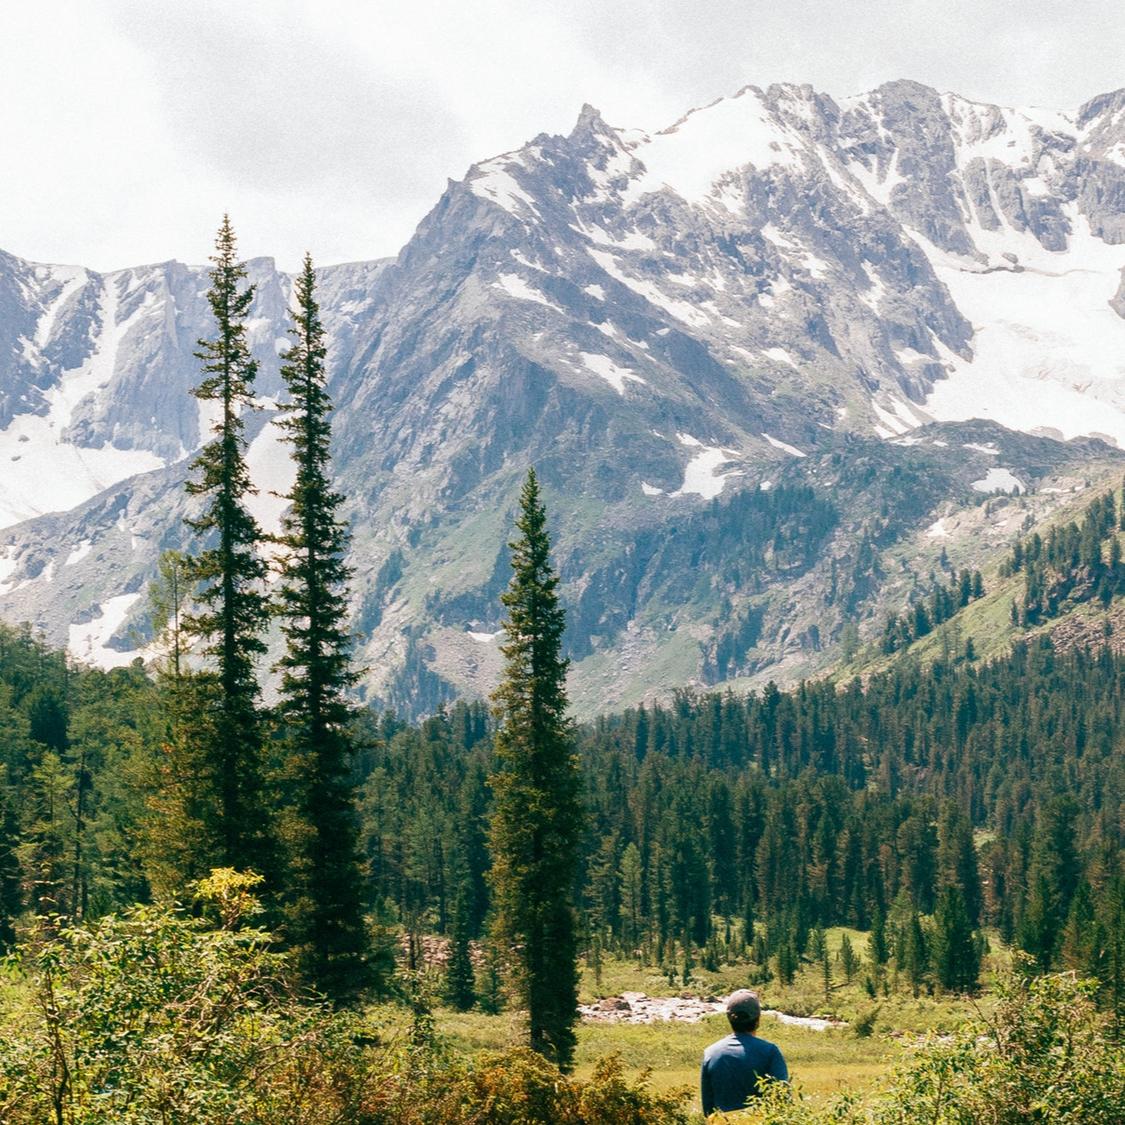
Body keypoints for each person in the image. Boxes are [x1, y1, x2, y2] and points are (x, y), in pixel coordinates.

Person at [701, 989, 788, 1116]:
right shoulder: (770, 1052)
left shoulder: (710, 1053)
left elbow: (708, 1108)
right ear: (758, 1019)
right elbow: (783, 1099)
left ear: (729, 1018)